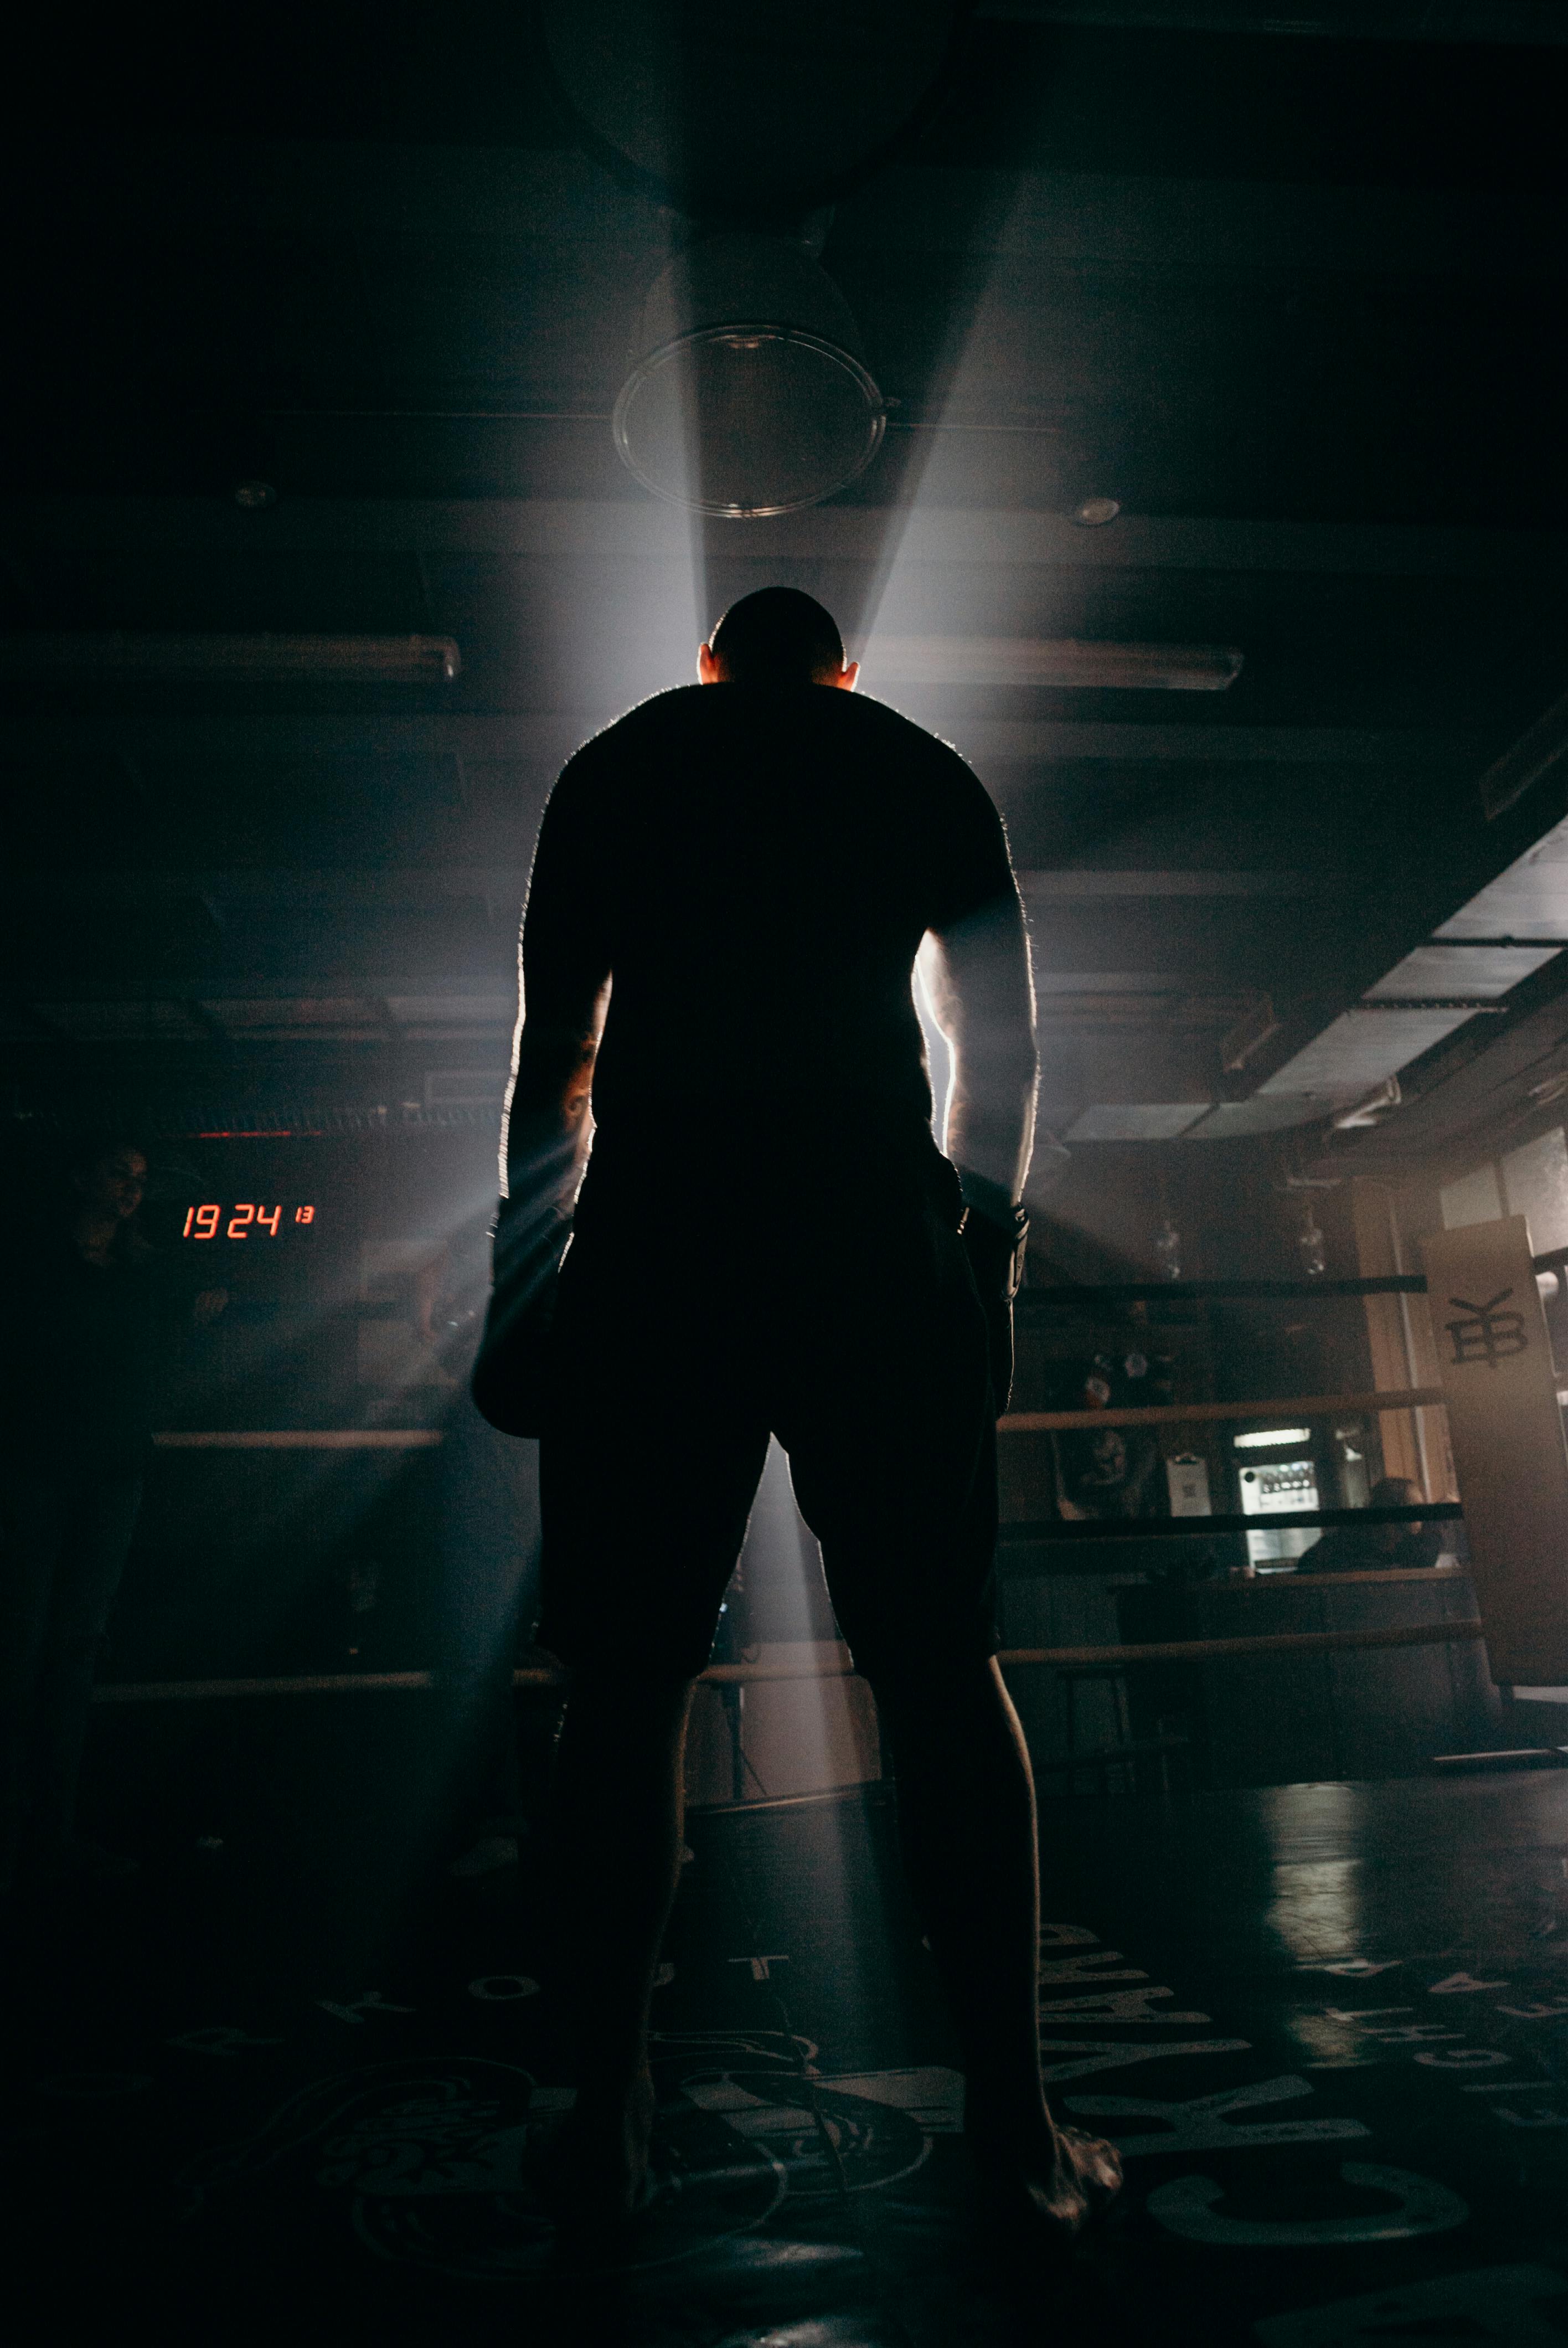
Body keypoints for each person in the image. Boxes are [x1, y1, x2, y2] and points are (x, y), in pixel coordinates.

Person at [475, 585, 1122, 2248]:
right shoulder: (913, 765)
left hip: (660, 1235)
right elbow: (1004, 1048)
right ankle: (1012, 2121)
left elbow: (555, 1054)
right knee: (934, 1665)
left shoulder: (620, 766)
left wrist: (518, 1286)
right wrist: (979, 1253)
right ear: (841, 665)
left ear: (707, 660)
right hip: (862, 1232)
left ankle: (602, 2122)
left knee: (622, 1690)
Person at [0, 1135, 220, 1893]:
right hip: (38, 1474)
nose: (132, 1187)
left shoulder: (137, 1271)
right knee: (27, 1655)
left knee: (67, 1656)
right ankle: (29, 1838)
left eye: (138, 1177)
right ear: (80, 1177)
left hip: (106, 1474)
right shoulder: (33, 1263)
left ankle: (46, 1836)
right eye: (119, 1174)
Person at [1294, 1474, 1444, 1573]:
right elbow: (1418, 1566)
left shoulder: (1395, 1544)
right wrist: (1437, 1519)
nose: (1422, 1516)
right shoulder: (1350, 1543)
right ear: (1395, 1512)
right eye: (1416, 1508)